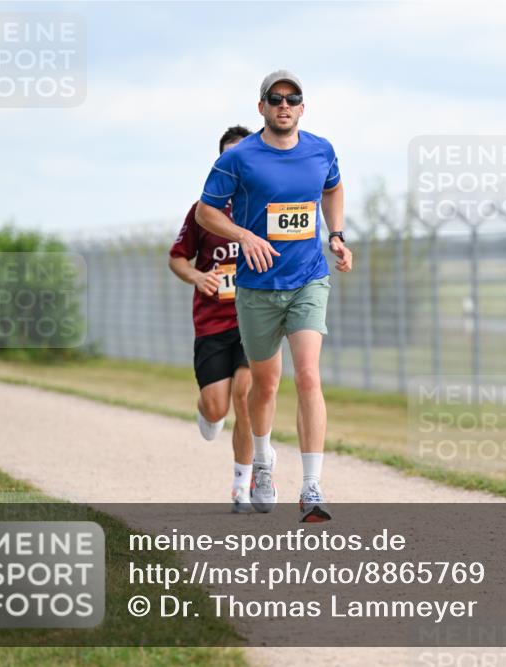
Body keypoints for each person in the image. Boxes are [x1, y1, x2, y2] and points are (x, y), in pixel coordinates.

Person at [195, 70, 352, 523]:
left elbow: (333, 186)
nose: (284, 105)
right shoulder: (240, 158)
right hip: (258, 287)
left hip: (308, 279)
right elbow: (206, 211)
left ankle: (312, 487)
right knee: (264, 385)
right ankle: (263, 463)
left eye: (292, 98)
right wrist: (244, 236)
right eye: (275, 98)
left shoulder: (321, 149)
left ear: (303, 107)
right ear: (261, 107)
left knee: (307, 376)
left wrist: (336, 234)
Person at [169, 124, 269, 513]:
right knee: (217, 408)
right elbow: (177, 257)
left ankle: (241, 487)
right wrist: (197, 276)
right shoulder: (203, 211)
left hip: (254, 318)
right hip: (212, 322)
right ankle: (206, 409)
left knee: (245, 397)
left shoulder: (266, 206)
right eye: (230, 159)